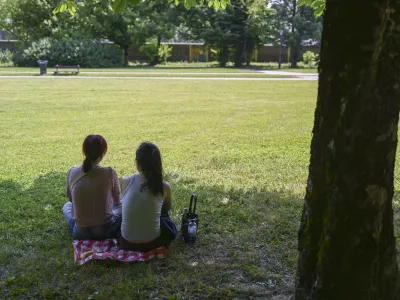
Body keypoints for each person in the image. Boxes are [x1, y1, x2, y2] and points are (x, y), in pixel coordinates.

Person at [119, 142, 177, 252]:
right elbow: (167, 209)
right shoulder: (164, 186)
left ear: (137, 162)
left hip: (126, 243)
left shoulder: (125, 181)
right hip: (154, 243)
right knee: (166, 220)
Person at [62, 134, 122, 240]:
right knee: (123, 206)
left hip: (80, 231)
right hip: (104, 230)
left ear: (84, 151)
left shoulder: (72, 171)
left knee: (66, 206)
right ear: (103, 153)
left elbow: (71, 200)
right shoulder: (109, 173)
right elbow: (116, 202)